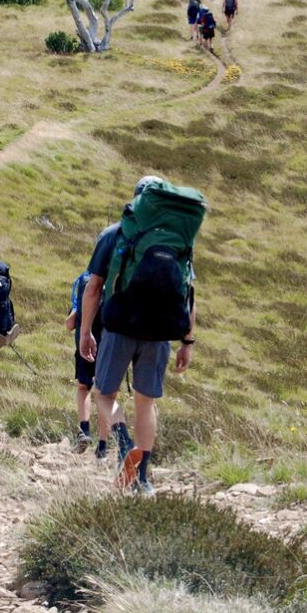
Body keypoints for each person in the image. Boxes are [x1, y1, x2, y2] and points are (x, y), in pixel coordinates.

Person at [79, 177, 201, 495]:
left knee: (104, 393)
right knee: (146, 404)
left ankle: (122, 443)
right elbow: (189, 293)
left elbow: (93, 288)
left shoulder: (116, 233)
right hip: (161, 333)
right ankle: (143, 478)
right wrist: (187, 341)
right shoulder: (179, 242)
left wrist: (85, 333)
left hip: (120, 326)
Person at [65, 270, 108, 459]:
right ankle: (103, 446)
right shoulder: (119, 280)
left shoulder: (85, 282)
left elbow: (70, 324)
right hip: (108, 348)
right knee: (105, 394)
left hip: (84, 346)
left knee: (84, 387)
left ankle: (84, 432)